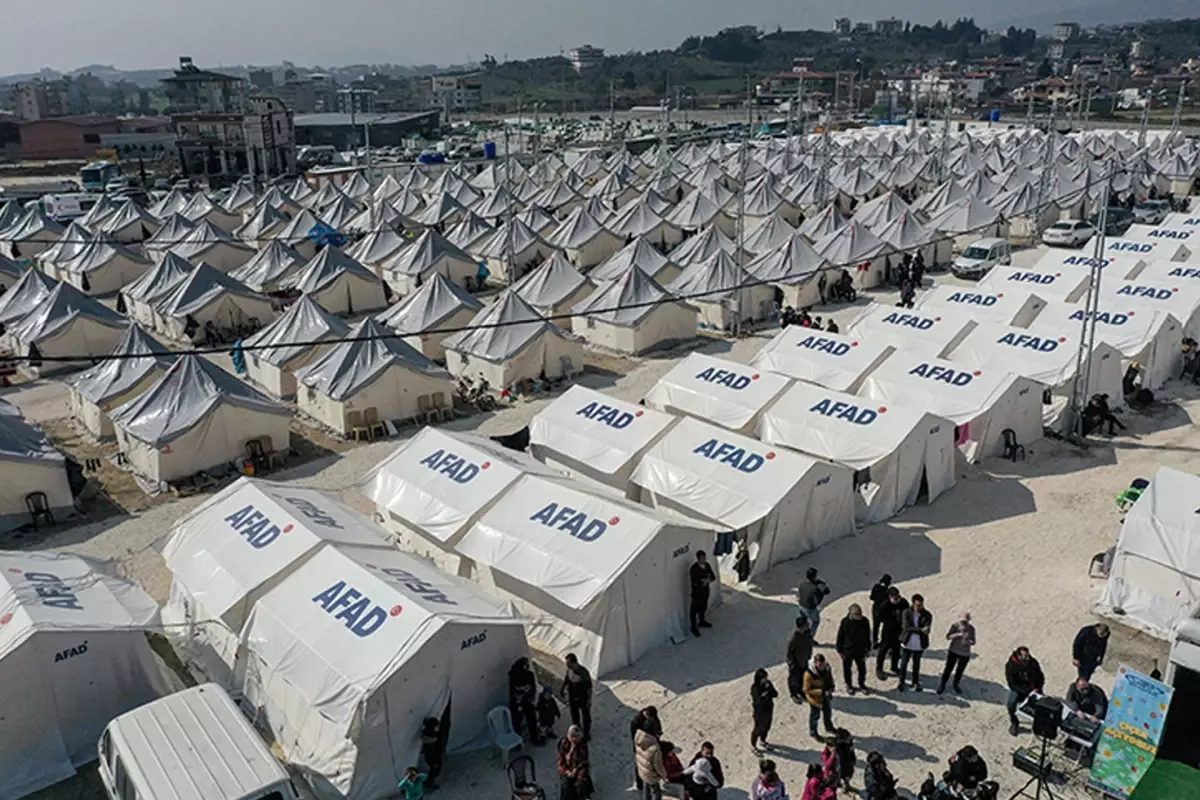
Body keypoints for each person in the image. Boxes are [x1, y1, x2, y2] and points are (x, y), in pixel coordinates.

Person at [1005, 646, 1045, 736]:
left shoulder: (1033, 662)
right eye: (1025, 657)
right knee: (1010, 704)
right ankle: (1014, 723)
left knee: (1042, 706)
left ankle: (1040, 724)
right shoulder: (1010, 666)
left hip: (1033, 688)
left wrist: (1038, 688)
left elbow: (1040, 676)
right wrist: (1026, 691)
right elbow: (1012, 684)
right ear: (1018, 656)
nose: (1027, 659)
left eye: (1028, 656)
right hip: (1019, 689)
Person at [897, 593, 932, 692]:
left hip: (919, 644)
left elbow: (927, 629)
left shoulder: (927, 614)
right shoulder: (906, 612)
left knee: (916, 664)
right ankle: (901, 681)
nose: (920, 607)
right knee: (904, 664)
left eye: (921, 605)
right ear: (913, 604)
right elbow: (906, 627)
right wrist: (920, 630)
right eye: (918, 605)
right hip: (907, 643)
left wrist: (920, 630)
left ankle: (915, 682)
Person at [938, 612, 977, 695]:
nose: (964, 622)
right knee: (948, 669)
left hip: (965, 653)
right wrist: (957, 635)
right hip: (953, 651)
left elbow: (973, 641)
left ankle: (956, 684)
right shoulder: (955, 626)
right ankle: (942, 684)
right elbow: (948, 636)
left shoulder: (971, 629)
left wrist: (968, 642)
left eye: (965, 621)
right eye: (962, 621)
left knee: (960, 670)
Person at [836, 604, 871, 694]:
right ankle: (849, 684)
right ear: (852, 614)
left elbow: (867, 636)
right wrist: (839, 650)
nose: (860, 616)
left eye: (860, 614)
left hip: (860, 650)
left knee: (862, 669)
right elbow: (840, 636)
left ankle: (862, 684)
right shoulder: (845, 622)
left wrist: (868, 648)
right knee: (847, 668)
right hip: (848, 650)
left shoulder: (864, 621)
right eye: (857, 614)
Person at [875, 587, 910, 680]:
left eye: (898, 597)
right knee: (883, 650)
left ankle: (894, 667)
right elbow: (878, 617)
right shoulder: (885, 606)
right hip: (888, 632)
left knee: (897, 650)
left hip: (899, 631)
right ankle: (879, 668)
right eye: (895, 598)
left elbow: (908, 613)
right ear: (889, 597)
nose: (897, 600)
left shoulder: (903, 603)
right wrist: (889, 621)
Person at [803, 654, 836, 741]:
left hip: (826, 695)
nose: (822, 667)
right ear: (815, 663)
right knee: (815, 716)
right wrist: (822, 692)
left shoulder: (827, 668)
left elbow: (829, 677)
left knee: (828, 712)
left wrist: (832, 686)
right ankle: (813, 732)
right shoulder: (808, 674)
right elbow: (807, 690)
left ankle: (829, 727)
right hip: (815, 699)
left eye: (823, 664)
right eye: (820, 665)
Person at [560, 654, 593, 741]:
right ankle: (577, 728)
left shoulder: (583, 673)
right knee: (574, 714)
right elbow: (567, 679)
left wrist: (589, 700)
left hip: (583, 697)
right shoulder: (569, 670)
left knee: (586, 716)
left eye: (569, 663)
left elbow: (589, 688)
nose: (567, 665)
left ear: (574, 663)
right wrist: (562, 688)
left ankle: (586, 733)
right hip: (572, 696)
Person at [509, 657, 542, 744]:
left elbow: (533, 688)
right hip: (517, 702)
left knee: (531, 719)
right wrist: (519, 695)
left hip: (527, 700)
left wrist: (529, 696)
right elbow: (512, 690)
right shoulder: (513, 675)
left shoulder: (529, 674)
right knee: (517, 721)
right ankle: (517, 741)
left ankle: (534, 738)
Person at [629, 707, 663, 790]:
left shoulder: (653, 717)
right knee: (641, 766)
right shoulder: (636, 721)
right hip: (642, 746)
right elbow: (635, 737)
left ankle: (646, 784)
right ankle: (640, 784)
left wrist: (658, 733)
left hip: (650, 743)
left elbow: (658, 726)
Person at [557, 725, 592, 800]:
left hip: (579, 767)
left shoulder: (582, 744)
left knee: (581, 780)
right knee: (566, 783)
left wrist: (576, 769)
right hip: (567, 768)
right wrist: (566, 771)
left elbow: (584, 759)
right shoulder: (564, 743)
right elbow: (561, 761)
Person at [796, 567, 831, 640]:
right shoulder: (816, 587)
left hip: (801, 606)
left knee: (803, 622)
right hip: (810, 608)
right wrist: (822, 584)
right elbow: (826, 591)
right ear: (814, 576)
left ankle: (801, 635)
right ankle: (809, 638)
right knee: (815, 621)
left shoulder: (802, 583)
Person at [751, 668, 780, 754]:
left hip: (768, 709)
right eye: (764, 678)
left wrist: (769, 690)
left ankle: (763, 741)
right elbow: (758, 699)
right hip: (759, 712)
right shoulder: (755, 687)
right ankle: (753, 745)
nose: (765, 679)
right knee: (758, 729)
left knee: (767, 727)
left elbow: (775, 694)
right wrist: (765, 694)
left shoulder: (768, 684)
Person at [635, 726, 668, 800]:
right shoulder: (655, 749)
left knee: (646, 789)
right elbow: (658, 766)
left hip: (642, 772)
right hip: (651, 775)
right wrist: (664, 775)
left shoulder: (639, 740)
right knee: (657, 792)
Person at [787, 615, 815, 702]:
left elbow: (810, 644)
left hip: (804, 660)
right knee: (794, 679)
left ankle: (801, 691)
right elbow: (790, 653)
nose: (808, 625)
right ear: (801, 626)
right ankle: (793, 694)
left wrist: (809, 654)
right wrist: (791, 663)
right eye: (806, 624)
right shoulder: (794, 639)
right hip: (796, 663)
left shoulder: (808, 633)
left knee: (803, 677)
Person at [689, 550, 717, 637]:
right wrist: (702, 582)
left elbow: (713, 576)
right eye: (702, 558)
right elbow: (694, 581)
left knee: (703, 607)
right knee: (694, 609)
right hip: (697, 592)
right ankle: (693, 626)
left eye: (705, 558)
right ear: (698, 559)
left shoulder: (707, 565)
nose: (704, 560)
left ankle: (702, 621)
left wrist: (707, 580)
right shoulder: (694, 569)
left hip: (705, 591)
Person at [418, 717, 445, 789]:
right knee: (434, 770)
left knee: (431, 769)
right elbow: (436, 748)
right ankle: (429, 783)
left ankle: (428, 782)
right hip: (434, 756)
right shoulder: (433, 736)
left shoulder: (427, 733)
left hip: (430, 756)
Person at [868, 574, 893, 649]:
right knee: (885, 626)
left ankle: (875, 641)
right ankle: (884, 641)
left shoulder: (876, 587)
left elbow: (871, 597)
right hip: (885, 611)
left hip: (875, 610)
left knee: (876, 626)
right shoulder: (887, 591)